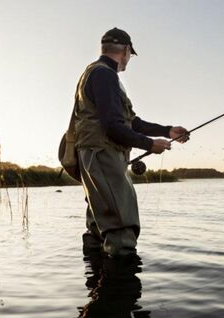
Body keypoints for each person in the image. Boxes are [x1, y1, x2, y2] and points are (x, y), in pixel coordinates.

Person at [74, 27, 189, 257]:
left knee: (98, 227)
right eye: (129, 55)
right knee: (121, 228)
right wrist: (149, 145)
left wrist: (167, 131)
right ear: (126, 51)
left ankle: (97, 285)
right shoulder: (105, 75)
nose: (128, 61)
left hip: (93, 156)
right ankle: (120, 291)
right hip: (103, 156)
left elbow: (130, 121)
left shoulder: (95, 73)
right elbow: (113, 127)